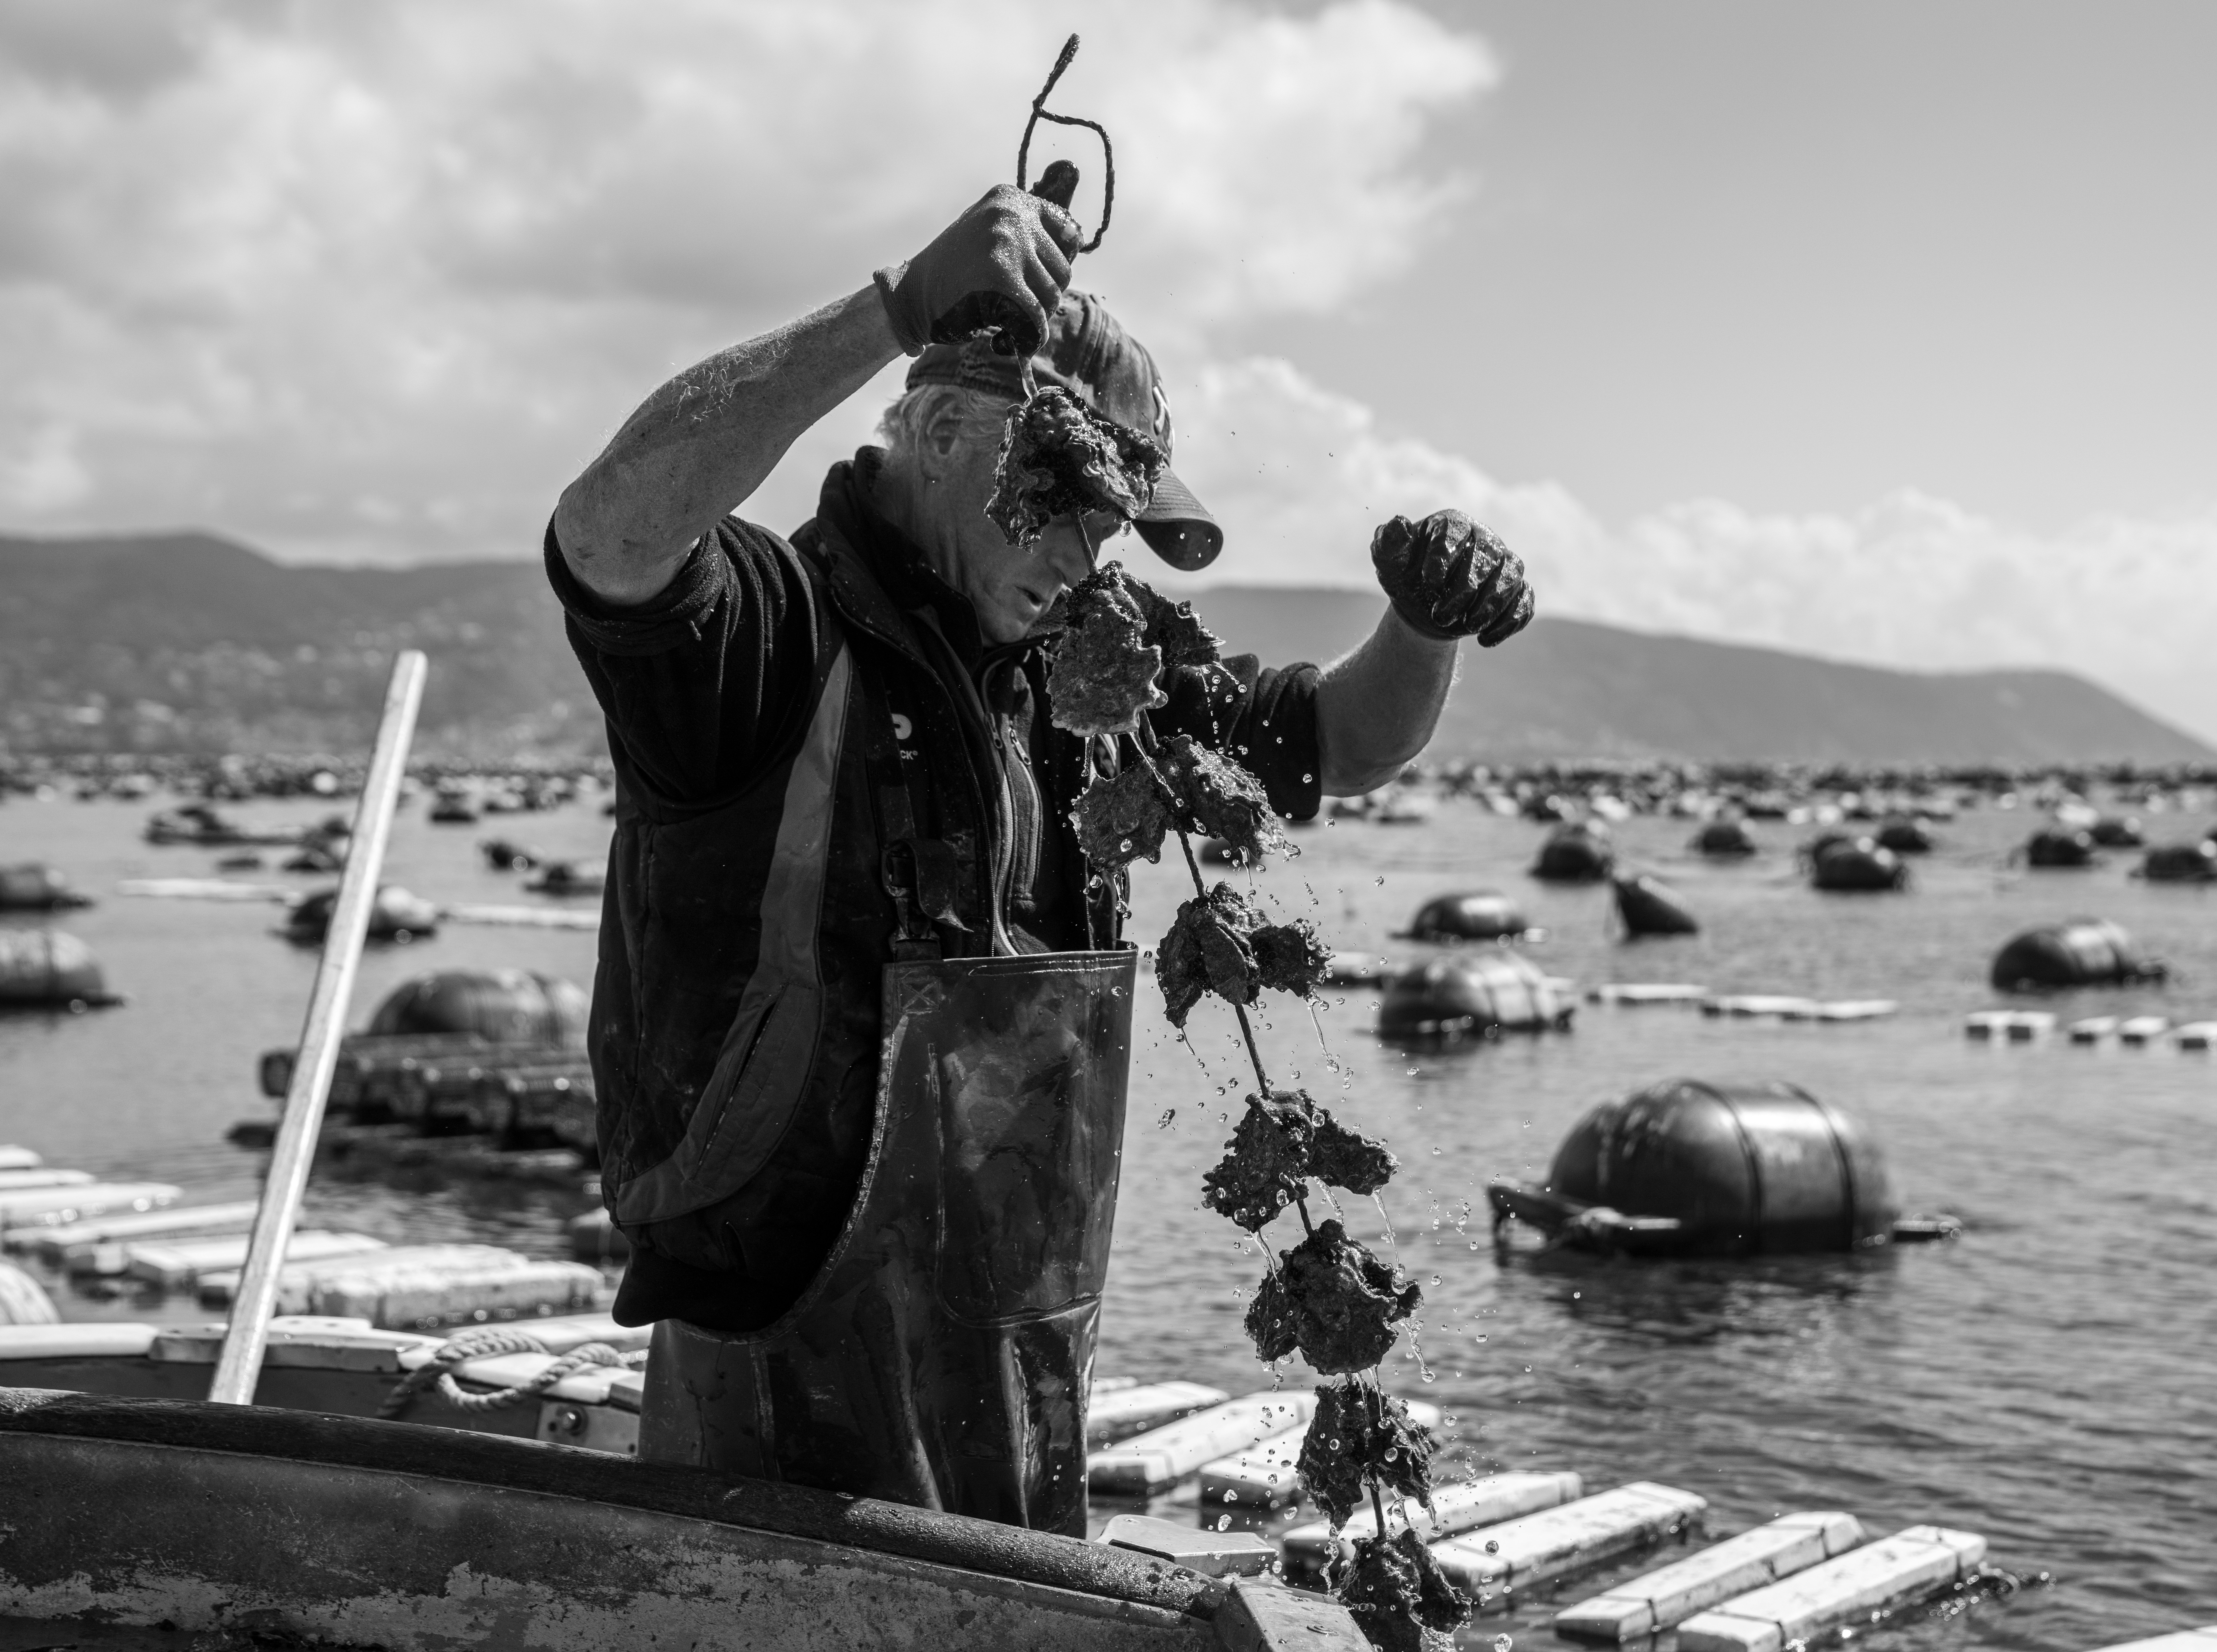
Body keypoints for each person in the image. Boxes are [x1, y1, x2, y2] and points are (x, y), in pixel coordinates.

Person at [548, 181, 1534, 1533]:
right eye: (1065, 500)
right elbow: (607, 533)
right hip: (760, 1388)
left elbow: (1335, 744)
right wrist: (894, 309)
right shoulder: (770, 635)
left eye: (1119, 521)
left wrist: (1425, 630)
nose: (1092, 554)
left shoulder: (1099, 676)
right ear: (945, 429)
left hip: (1020, 1369)